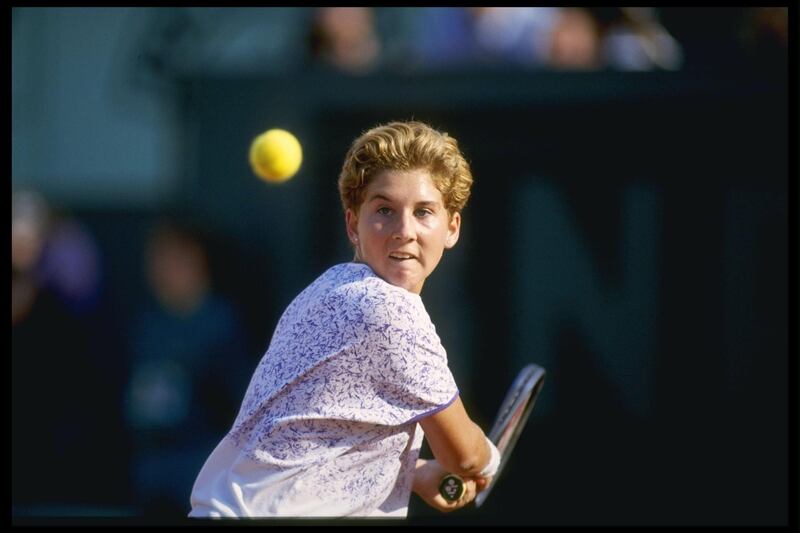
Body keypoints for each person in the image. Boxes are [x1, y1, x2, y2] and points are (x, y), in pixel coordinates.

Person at [188, 120, 500, 518]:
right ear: (353, 224)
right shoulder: (389, 312)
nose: (404, 230)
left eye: (423, 212)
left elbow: (315, 429)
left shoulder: (329, 289)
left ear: (451, 227)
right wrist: (490, 462)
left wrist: (412, 472)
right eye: (384, 210)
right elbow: (466, 457)